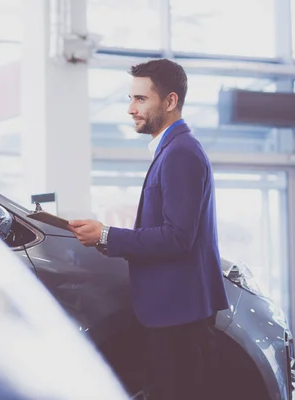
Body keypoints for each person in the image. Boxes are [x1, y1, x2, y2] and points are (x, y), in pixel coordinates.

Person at [68, 59, 229, 400]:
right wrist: (107, 238)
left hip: (179, 315)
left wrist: (108, 235)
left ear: (170, 101)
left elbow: (177, 237)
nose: (130, 109)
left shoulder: (180, 153)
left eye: (140, 99)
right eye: (131, 98)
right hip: (173, 312)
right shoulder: (173, 150)